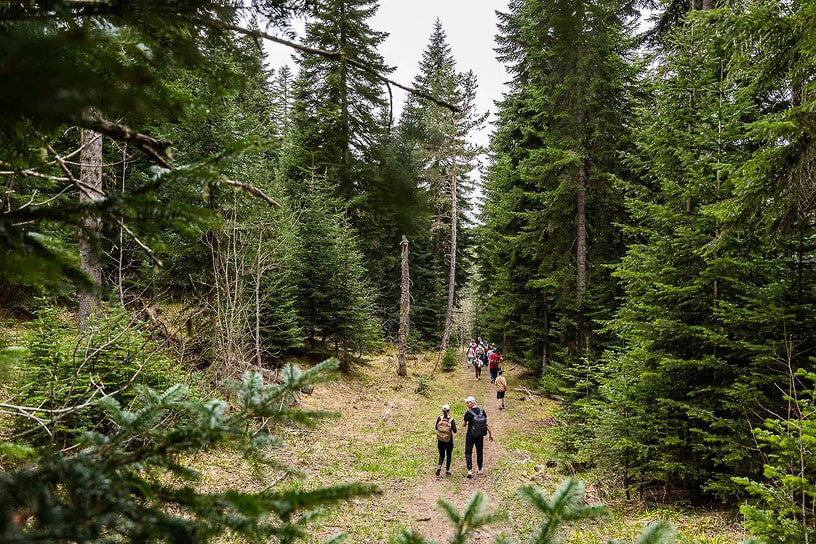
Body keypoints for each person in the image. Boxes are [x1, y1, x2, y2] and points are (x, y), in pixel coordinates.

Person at [462, 396, 493, 478]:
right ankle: (480, 469)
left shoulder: (468, 413)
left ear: (472, 403)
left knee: (468, 452)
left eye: (468, 403)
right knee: (479, 451)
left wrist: (468, 423)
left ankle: (470, 471)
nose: (467, 404)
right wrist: (490, 434)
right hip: (479, 435)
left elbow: (464, 424)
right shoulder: (482, 411)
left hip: (470, 435)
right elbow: (486, 424)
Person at [435, 404, 457, 476]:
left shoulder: (439, 418)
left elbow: (436, 428)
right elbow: (455, 431)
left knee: (441, 455)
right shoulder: (451, 420)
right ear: (449, 411)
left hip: (440, 440)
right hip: (449, 441)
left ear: (442, 411)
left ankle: (439, 466)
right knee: (449, 455)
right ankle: (447, 471)